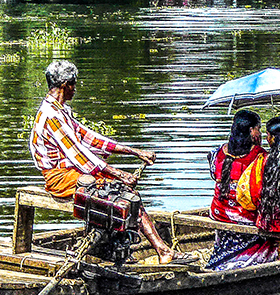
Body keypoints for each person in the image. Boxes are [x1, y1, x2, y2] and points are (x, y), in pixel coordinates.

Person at [29, 59, 189, 264]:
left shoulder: (61, 111)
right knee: (124, 196)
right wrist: (119, 174)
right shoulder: (52, 115)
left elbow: (90, 138)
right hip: (60, 178)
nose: (75, 89)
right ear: (65, 85)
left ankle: (130, 247)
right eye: (73, 84)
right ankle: (162, 250)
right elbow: (81, 156)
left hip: (73, 173)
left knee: (127, 194)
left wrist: (134, 152)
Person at [208, 116, 280, 270]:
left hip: (269, 222)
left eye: (267, 134)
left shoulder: (261, 161)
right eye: (262, 131)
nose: (265, 137)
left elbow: (247, 197)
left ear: (273, 138)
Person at [203, 109, 266, 270]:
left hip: (218, 213)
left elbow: (216, 177)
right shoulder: (260, 156)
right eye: (258, 129)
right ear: (252, 131)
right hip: (243, 217)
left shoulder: (216, 152)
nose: (260, 133)